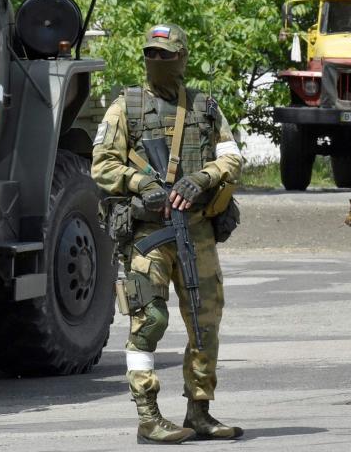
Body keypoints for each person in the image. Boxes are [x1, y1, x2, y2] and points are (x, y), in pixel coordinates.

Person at [91, 24, 244, 444]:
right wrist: (141, 184)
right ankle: (148, 416)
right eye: (151, 55)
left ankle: (199, 411)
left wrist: (202, 176)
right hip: (147, 234)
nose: (157, 62)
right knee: (149, 320)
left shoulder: (205, 108)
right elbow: (101, 165)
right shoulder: (126, 108)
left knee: (205, 323)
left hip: (196, 232)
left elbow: (232, 158)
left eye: (166, 55)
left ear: (183, 57)